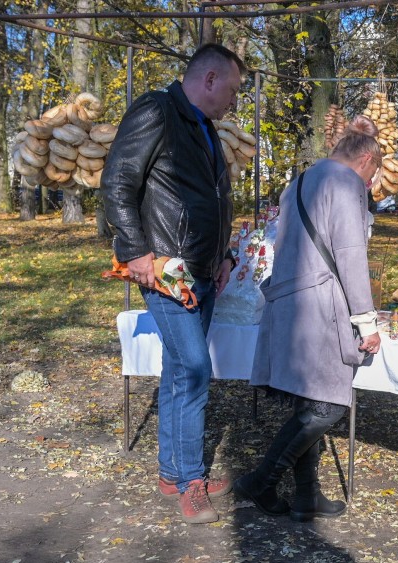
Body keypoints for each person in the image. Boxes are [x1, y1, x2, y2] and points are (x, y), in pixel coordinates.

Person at [101, 44, 245, 523]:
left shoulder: (204, 128)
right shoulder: (156, 111)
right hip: (165, 269)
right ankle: (189, 481)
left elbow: (216, 199)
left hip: (203, 270)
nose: (235, 100)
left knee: (181, 372)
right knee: (196, 368)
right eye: (233, 89)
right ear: (208, 79)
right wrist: (135, 251)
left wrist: (224, 254)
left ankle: (171, 472)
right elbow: (117, 182)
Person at [234, 115, 382, 522]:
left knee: (309, 399)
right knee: (328, 406)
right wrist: (366, 322)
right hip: (320, 306)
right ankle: (261, 481)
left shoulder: (297, 182)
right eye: (373, 173)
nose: (370, 183)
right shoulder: (346, 183)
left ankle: (306, 496)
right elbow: (351, 254)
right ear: (366, 159)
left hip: (288, 302)